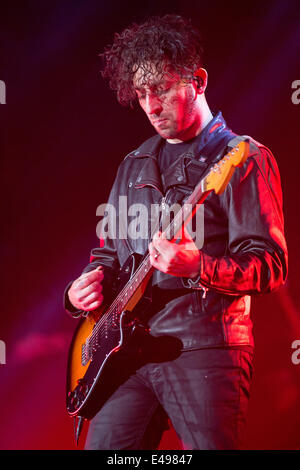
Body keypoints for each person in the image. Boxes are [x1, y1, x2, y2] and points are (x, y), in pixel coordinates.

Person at [64, 14, 288, 450]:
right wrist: (79, 292)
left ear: (198, 81)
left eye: (161, 90)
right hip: (125, 357)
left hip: (205, 348)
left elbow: (271, 264)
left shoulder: (241, 158)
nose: (150, 105)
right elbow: (110, 256)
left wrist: (199, 266)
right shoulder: (132, 164)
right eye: (142, 94)